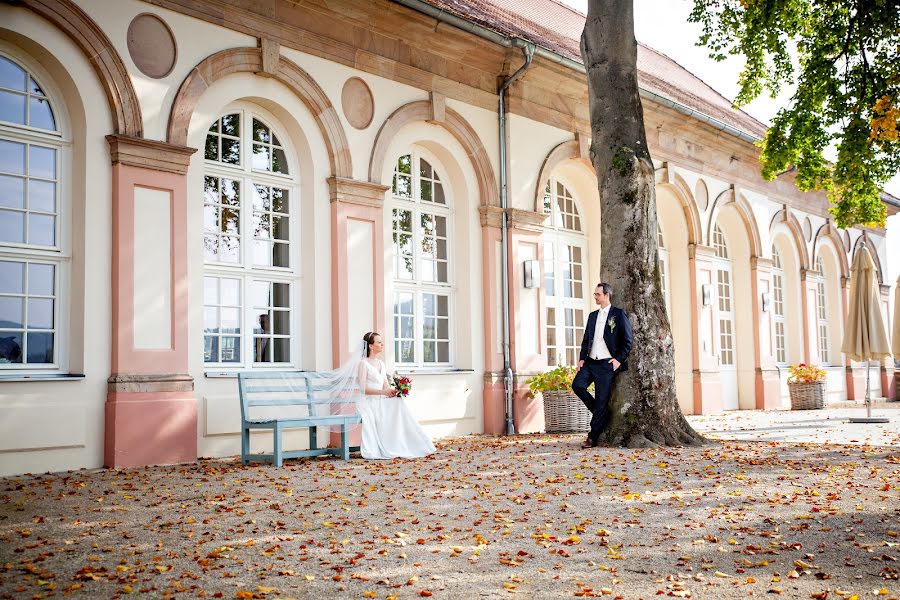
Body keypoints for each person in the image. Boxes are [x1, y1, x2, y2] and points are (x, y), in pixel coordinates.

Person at [571, 282, 633, 448]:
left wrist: (618, 360)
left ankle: (592, 437)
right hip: (590, 362)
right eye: (595, 294)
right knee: (577, 385)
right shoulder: (592, 316)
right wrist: (582, 359)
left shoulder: (618, 314)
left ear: (607, 295)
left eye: (598, 294)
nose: (595, 297)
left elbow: (628, 340)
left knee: (601, 400)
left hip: (607, 365)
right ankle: (602, 414)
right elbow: (586, 339)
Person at [356, 331, 436, 459]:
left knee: (399, 402)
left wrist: (395, 391)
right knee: (393, 407)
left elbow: (386, 386)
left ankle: (410, 442)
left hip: (380, 399)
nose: (382, 345)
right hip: (368, 401)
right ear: (371, 346)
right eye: (379, 342)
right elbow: (363, 389)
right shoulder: (363, 364)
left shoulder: (381, 364)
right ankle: (393, 444)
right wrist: (383, 392)